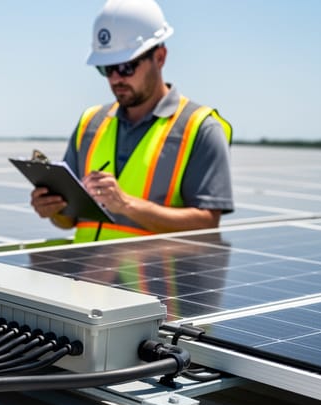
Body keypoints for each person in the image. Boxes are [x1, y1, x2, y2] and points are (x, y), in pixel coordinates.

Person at [30, 0, 232, 243]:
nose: (116, 79)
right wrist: (53, 209)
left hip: (153, 269)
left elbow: (207, 225)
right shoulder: (89, 124)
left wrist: (126, 204)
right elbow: (68, 220)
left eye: (126, 67)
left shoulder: (201, 129)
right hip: (85, 267)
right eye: (107, 69)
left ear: (160, 57)